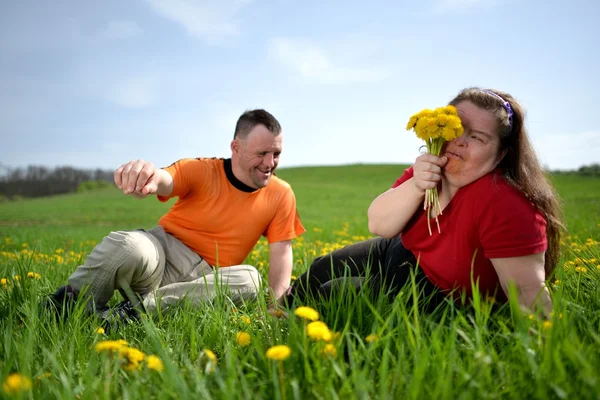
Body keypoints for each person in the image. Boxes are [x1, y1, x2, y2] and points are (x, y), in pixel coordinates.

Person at [287, 87, 563, 317]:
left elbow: (528, 292)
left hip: (435, 293)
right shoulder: (429, 169)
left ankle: (301, 329)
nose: (460, 142)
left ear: (501, 155)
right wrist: (418, 184)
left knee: (334, 293)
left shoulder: (503, 202)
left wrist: (543, 353)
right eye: (456, 128)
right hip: (400, 251)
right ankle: (279, 313)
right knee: (323, 267)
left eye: (477, 137)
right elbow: (379, 224)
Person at [47, 109, 305, 322]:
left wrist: (276, 304)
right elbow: (164, 179)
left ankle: (128, 316)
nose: (270, 163)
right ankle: (66, 306)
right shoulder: (201, 170)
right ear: (236, 147)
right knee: (129, 245)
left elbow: (282, 252)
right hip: (161, 255)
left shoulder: (281, 194)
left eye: (276, 154)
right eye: (262, 153)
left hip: (207, 283)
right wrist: (146, 175)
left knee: (251, 280)